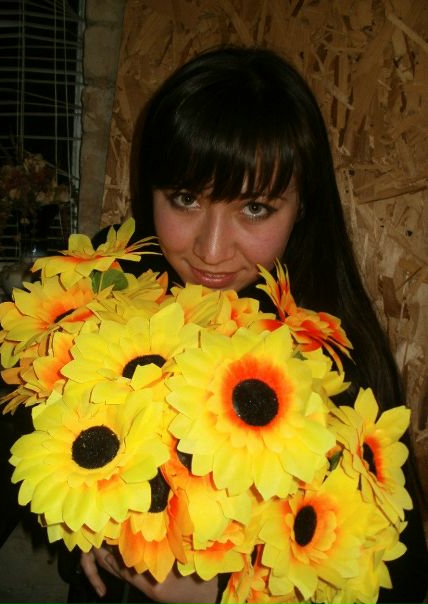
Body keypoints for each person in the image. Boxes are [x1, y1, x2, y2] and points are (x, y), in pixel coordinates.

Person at [71, 45, 428, 603]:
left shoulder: (335, 352)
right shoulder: (110, 289)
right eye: (185, 199)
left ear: (302, 206)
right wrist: (80, 516)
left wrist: (216, 594)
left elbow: (402, 582)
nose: (211, 250)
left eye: (255, 207)